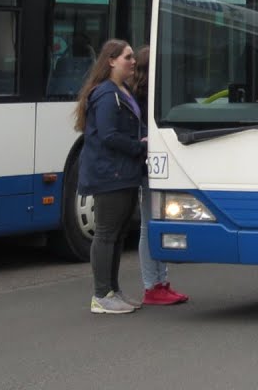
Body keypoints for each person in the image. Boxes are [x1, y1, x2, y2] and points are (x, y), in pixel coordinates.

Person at [73, 39, 146, 315]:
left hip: (122, 171)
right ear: (111, 61)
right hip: (110, 173)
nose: (133, 61)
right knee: (106, 234)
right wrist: (139, 146)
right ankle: (102, 294)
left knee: (117, 234)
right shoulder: (106, 94)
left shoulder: (121, 90)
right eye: (128, 57)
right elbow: (108, 135)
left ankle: (113, 290)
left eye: (133, 56)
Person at [131, 47, 189, 306]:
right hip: (149, 167)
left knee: (156, 223)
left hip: (158, 166)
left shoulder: (148, 95)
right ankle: (152, 285)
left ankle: (161, 282)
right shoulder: (142, 99)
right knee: (148, 226)